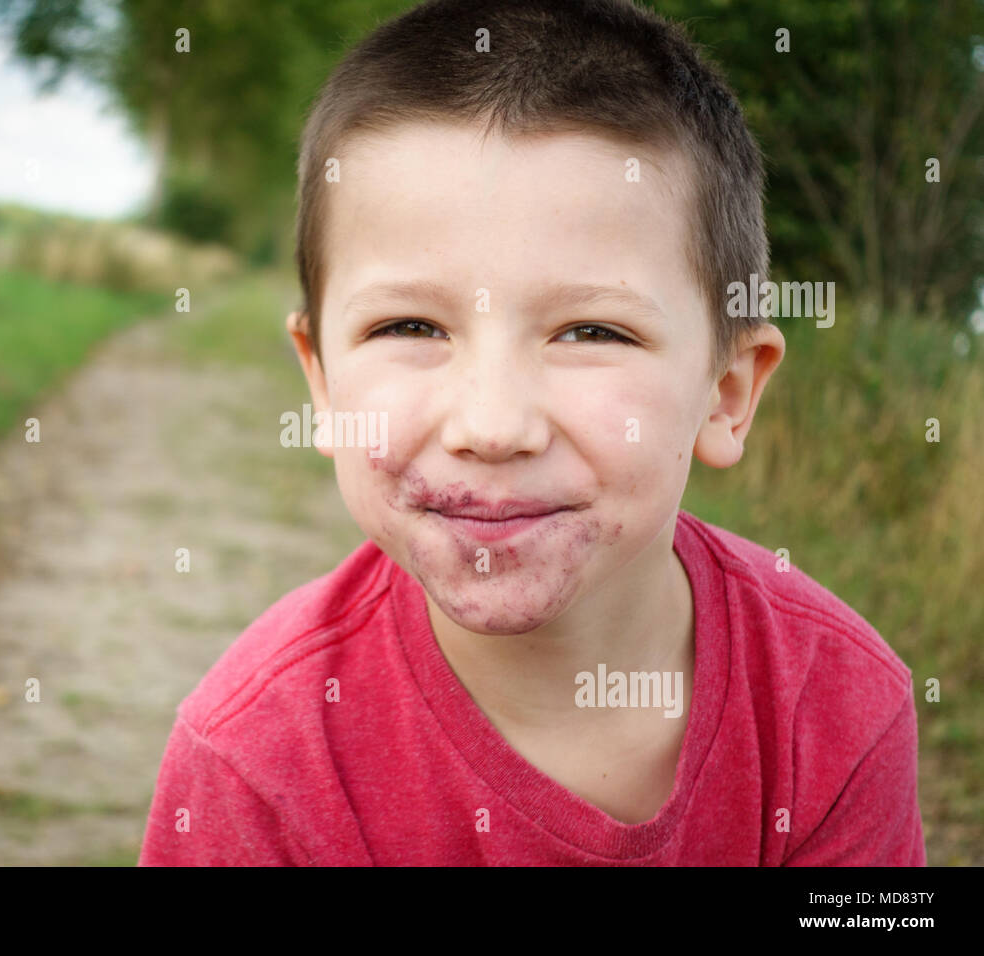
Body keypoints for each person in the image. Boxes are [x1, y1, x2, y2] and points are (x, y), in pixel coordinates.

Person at [138, 0, 925, 865]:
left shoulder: (836, 703)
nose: (492, 426)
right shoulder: (255, 759)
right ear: (321, 381)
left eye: (592, 333)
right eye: (409, 327)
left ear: (727, 393)